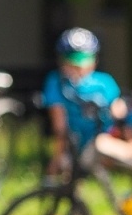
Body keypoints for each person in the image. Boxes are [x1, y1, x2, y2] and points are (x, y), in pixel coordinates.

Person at [41, 28, 125, 173]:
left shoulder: (105, 82)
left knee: (106, 143)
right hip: (74, 145)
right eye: (71, 62)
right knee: (70, 164)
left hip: (104, 140)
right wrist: (58, 157)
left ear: (94, 61)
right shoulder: (57, 82)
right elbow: (59, 125)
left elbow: (120, 113)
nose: (76, 68)